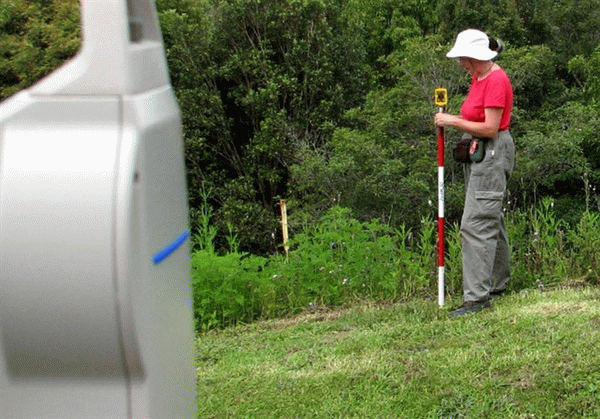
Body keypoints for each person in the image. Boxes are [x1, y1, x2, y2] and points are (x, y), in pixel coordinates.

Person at [434, 29, 515, 317]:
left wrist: (452, 121)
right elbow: (476, 115)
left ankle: (477, 299)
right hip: (481, 152)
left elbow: (491, 128)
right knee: (490, 216)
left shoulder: (496, 80)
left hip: (493, 151)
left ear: (476, 56)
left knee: (475, 223)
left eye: (463, 58)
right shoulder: (479, 75)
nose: (460, 63)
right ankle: (497, 283)